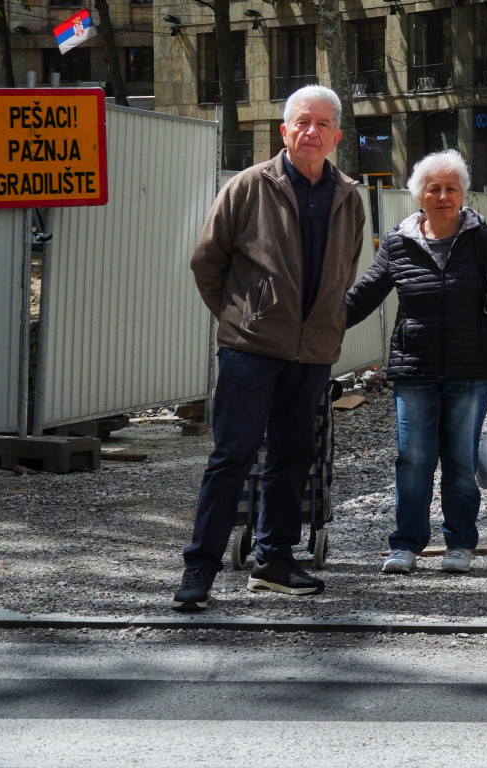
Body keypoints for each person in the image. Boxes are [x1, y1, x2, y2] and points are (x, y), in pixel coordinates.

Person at [175, 85, 366, 610]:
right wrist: (243, 319)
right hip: (250, 351)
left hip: (312, 353)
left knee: (294, 455)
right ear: (283, 131)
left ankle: (274, 561)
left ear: (336, 137)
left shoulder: (349, 196)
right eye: (301, 122)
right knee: (231, 456)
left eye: (322, 124)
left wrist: (323, 326)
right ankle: (200, 569)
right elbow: (207, 264)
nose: (311, 131)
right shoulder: (247, 187)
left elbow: (345, 271)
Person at [344, 149, 487, 576]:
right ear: (419, 195)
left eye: (451, 188)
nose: (443, 196)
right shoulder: (398, 241)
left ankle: (460, 543)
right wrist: (314, 323)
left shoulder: (483, 240)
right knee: (413, 457)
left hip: (470, 369)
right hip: (414, 369)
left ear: (462, 194)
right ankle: (406, 544)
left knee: (460, 460)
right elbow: (363, 296)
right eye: (434, 188)